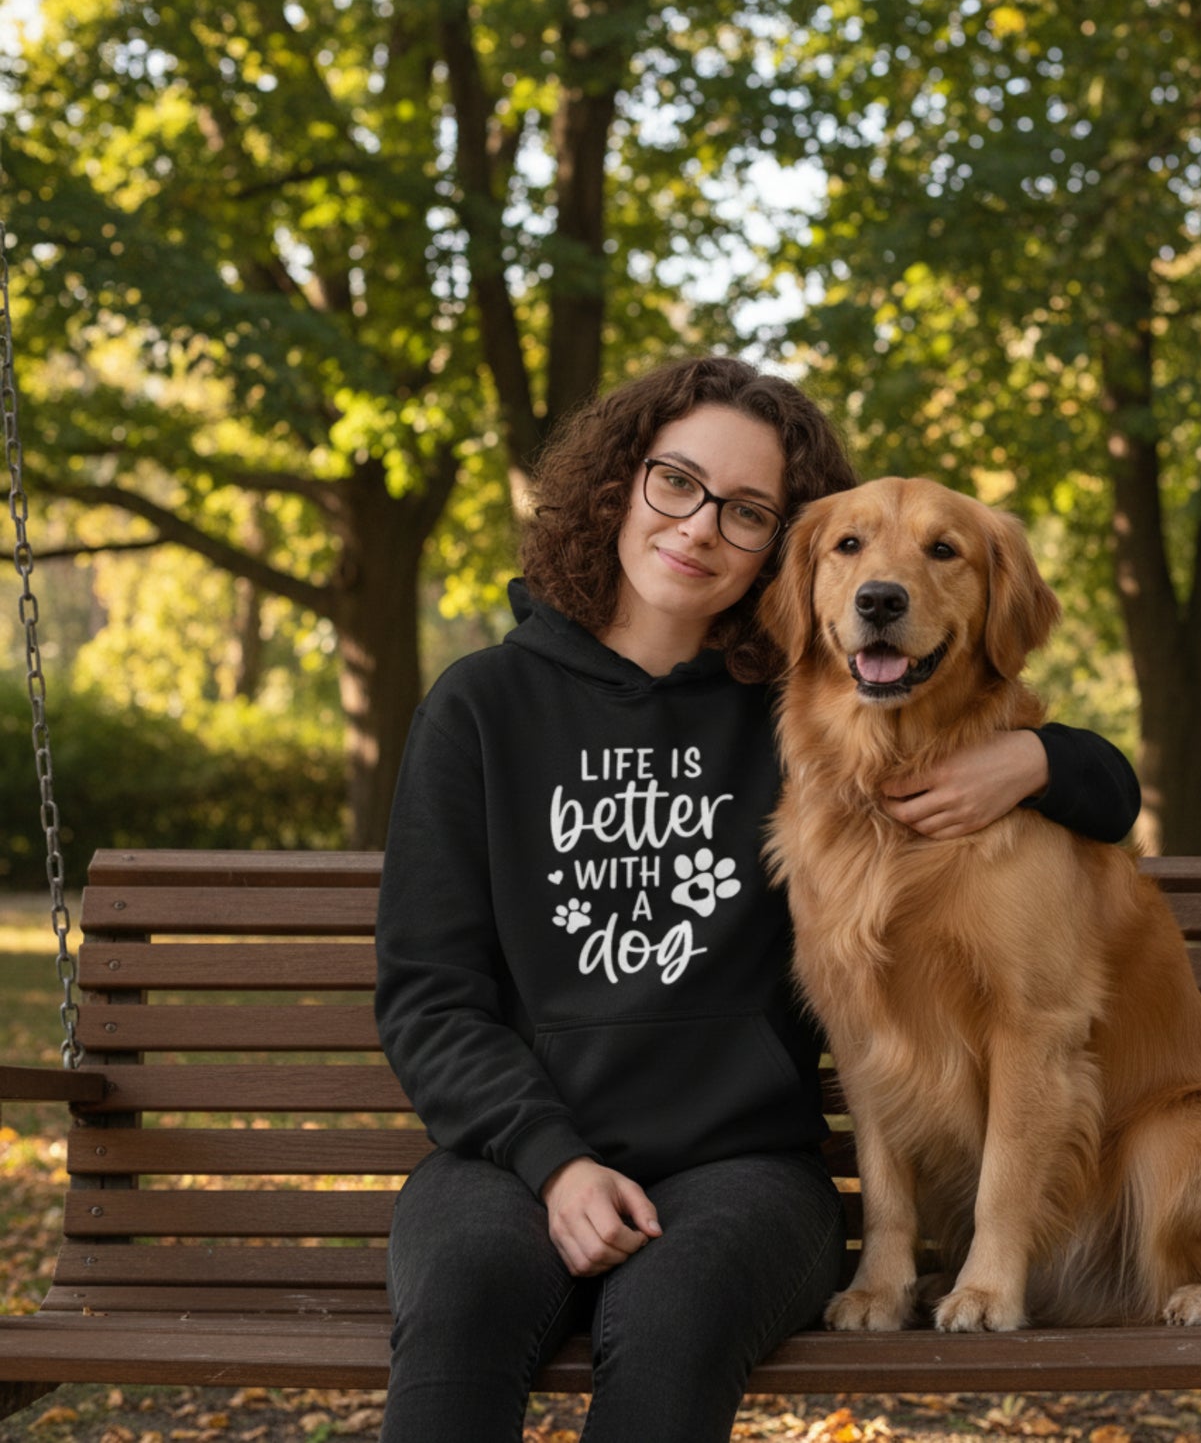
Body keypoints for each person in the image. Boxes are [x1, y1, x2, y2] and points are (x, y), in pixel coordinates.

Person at [374, 355, 1140, 1441]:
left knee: (675, 1324)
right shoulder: (479, 707)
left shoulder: (805, 713)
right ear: (618, 484)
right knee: (460, 1314)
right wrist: (553, 1159)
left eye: (744, 511)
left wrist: (1036, 759)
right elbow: (427, 997)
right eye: (674, 482)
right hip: (509, 1156)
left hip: (743, 1168)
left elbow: (1089, 784)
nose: (697, 528)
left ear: (776, 551)